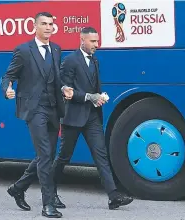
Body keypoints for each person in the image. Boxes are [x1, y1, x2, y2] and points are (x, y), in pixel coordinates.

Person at [1, 12, 73, 218]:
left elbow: (56, 79)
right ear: (34, 27)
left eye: (51, 24)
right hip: (34, 109)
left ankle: (18, 188)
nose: (48, 27)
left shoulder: (57, 49)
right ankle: (47, 204)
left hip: (53, 108)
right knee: (44, 155)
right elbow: (8, 75)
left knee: (47, 155)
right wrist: (7, 89)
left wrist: (65, 89)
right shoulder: (24, 50)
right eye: (44, 24)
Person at [54, 27, 134, 210]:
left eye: (97, 41)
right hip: (73, 118)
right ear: (82, 40)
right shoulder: (70, 61)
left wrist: (99, 98)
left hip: (91, 117)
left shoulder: (95, 61)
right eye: (92, 41)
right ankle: (49, 191)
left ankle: (113, 197)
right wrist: (90, 97)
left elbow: (92, 87)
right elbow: (65, 90)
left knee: (101, 156)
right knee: (64, 157)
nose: (96, 45)